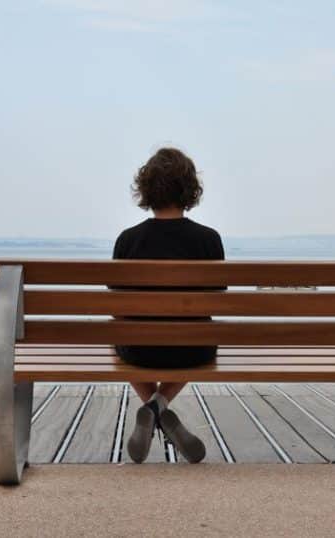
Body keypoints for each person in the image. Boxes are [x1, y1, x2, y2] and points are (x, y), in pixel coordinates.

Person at [112, 147, 225, 464]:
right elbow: (216, 300)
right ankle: (158, 406)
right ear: (190, 190)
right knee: (202, 335)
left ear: (146, 190)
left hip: (140, 350)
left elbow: (117, 306)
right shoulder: (208, 239)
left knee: (115, 335)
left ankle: (152, 407)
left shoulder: (127, 240)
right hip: (193, 350)